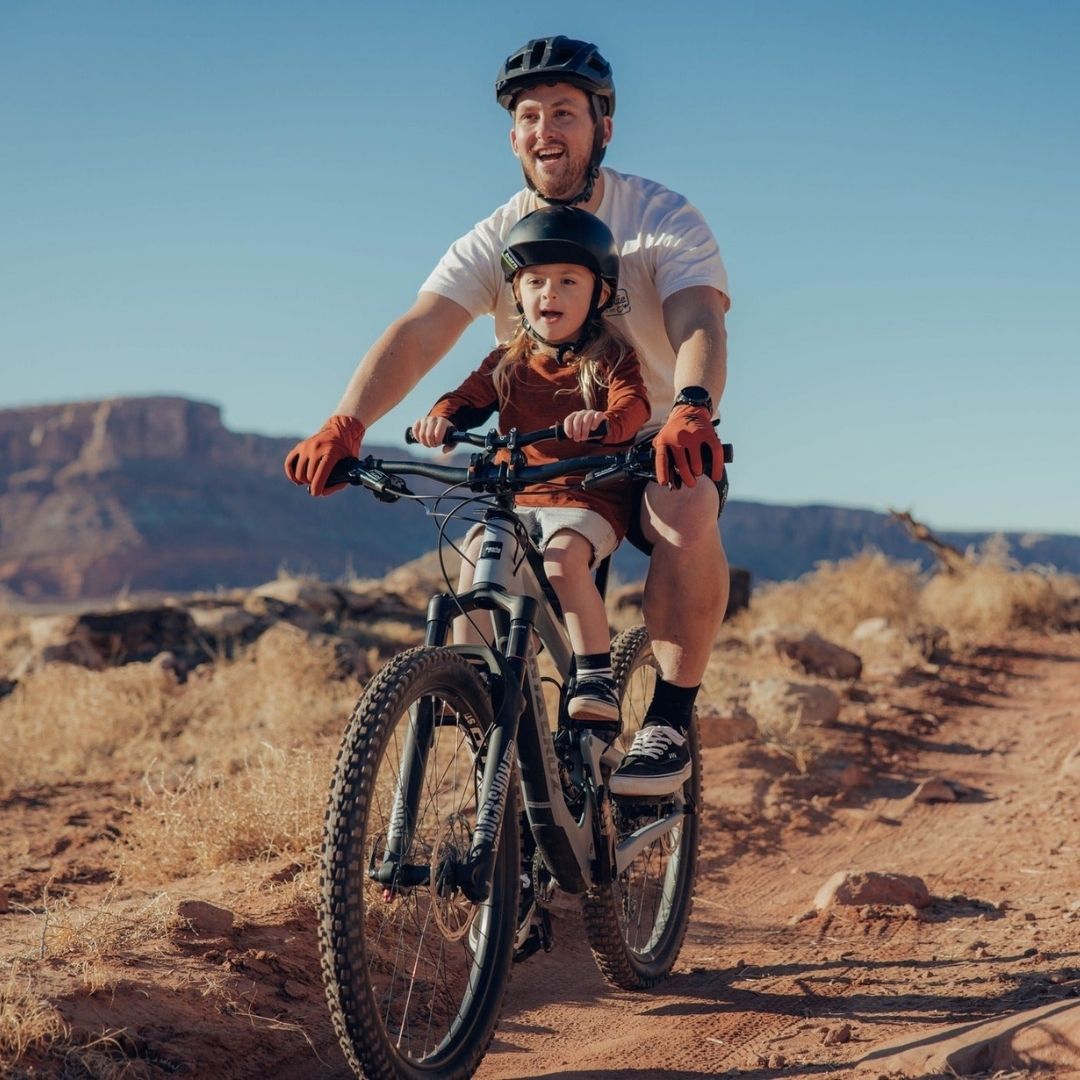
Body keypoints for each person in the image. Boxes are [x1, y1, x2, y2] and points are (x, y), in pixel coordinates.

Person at [285, 35, 731, 798]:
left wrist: (693, 406)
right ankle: (505, 781)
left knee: (686, 509)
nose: (544, 130)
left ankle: (667, 719)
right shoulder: (498, 236)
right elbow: (424, 328)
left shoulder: (659, 217)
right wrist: (346, 422)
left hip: (650, 441)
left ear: (603, 127)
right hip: (542, 458)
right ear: (512, 136)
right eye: (528, 116)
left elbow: (698, 318)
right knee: (480, 574)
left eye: (564, 112)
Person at [413, 205, 649, 725]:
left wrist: (606, 422)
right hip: (517, 497)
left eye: (568, 281)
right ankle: (471, 672)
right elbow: (465, 398)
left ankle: (595, 674)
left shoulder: (611, 358)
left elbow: (633, 405)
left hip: (587, 496)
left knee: (562, 558)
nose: (550, 294)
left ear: (599, 294)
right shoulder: (508, 360)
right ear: (517, 293)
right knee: (475, 554)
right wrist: (441, 418)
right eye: (536, 281)